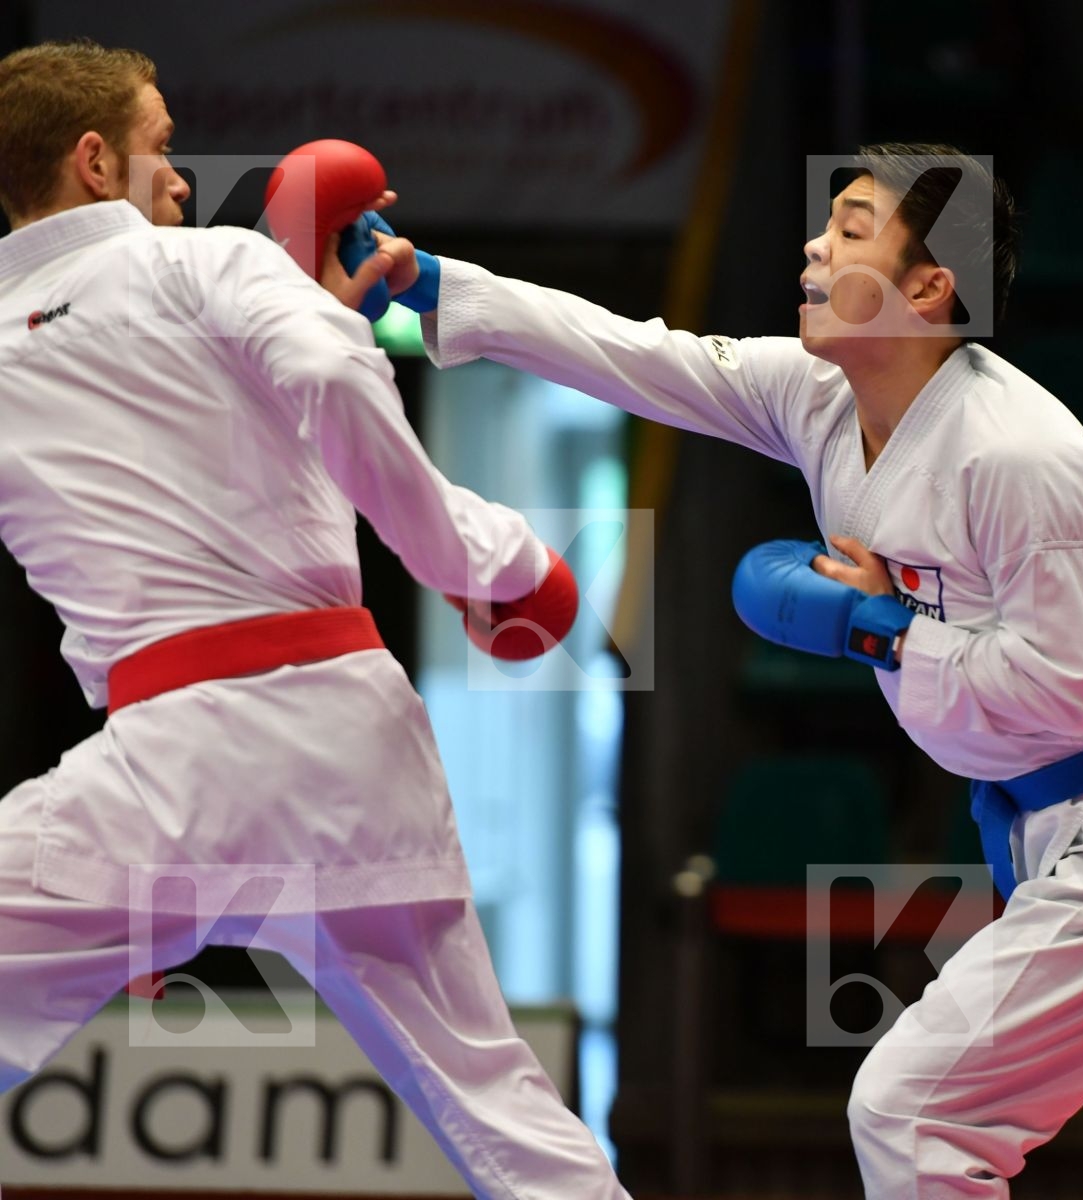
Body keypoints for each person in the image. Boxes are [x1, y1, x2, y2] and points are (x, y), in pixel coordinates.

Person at [368, 142, 1083, 1197]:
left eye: (854, 228)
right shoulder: (818, 397)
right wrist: (438, 291)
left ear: (931, 288)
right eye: (826, 223)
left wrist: (877, 630)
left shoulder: (1022, 455)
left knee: (918, 1111)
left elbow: (1071, 696)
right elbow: (640, 357)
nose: (816, 246)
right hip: (1077, 843)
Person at [0, 39, 629, 1199]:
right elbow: (331, 390)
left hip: (175, 770)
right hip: (345, 745)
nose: (180, 180)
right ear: (94, 162)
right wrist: (485, 562)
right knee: (503, 1116)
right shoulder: (211, 268)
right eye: (163, 148)